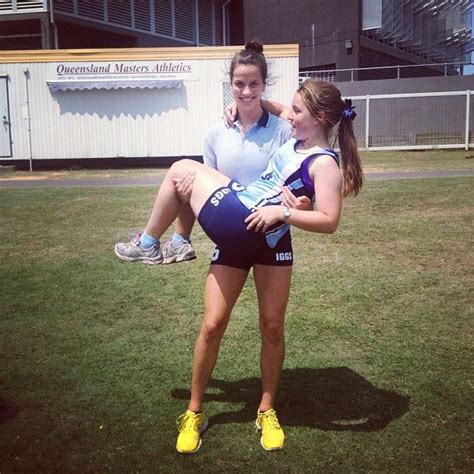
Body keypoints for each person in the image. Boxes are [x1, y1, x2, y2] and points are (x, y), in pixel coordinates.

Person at [115, 78, 363, 453]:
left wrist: (283, 212)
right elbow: (275, 110)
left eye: (297, 111)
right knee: (212, 325)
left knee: (272, 327)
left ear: (320, 117)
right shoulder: (298, 140)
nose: (288, 116)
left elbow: (329, 220)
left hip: (265, 237)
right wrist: (246, 106)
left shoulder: (324, 163)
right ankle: (194, 410)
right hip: (243, 222)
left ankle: (266, 409)